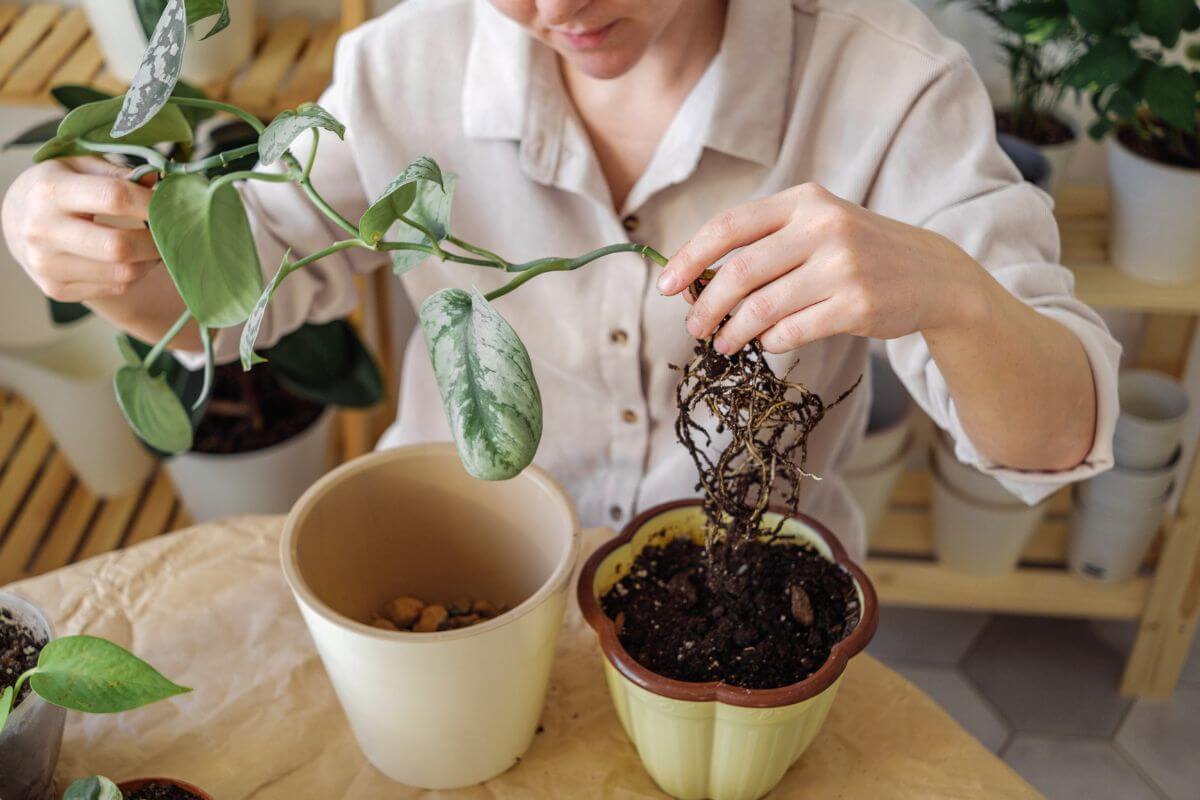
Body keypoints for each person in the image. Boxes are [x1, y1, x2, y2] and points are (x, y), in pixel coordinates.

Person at [1, 0, 1119, 558]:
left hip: (735, 597)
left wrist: (958, 295)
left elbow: (1051, 432)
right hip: (456, 566)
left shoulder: (889, 84)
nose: (559, 7)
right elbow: (237, 287)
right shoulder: (405, 64)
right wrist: (96, 254)